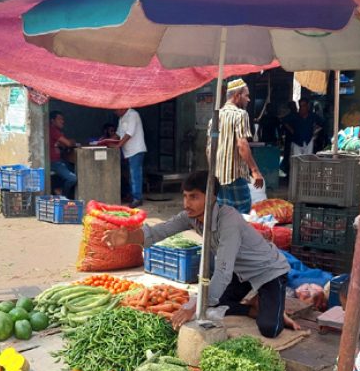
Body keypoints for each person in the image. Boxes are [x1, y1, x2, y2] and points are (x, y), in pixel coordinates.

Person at [102, 171, 300, 337]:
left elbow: (222, 272)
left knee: (269, 329)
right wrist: (128, 237)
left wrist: (192, 308)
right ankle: (254, 307)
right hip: (240, 274)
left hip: (267, 271)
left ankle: (274, 309)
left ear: (212, 197)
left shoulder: (228, 220)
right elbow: (158, 231)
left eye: (194, 197)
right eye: (185, 196)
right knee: (210, 304)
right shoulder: (191, 217)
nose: (187, 203)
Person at [207, 78, 264, 215]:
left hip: (218, 176)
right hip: (235, 175)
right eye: (246, 95)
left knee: (223, 214)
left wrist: (212, 172)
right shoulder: (240, 115)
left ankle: (224, 237)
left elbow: (209, 148)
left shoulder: (214, 117)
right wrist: (255, 171)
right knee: (242, 214)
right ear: (237, 95)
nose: (249, 99)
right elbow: (242, 144)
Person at [112, 108, 146, 208]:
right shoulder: (121, 118)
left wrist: (118, 145)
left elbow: (129, 134)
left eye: (116, 110)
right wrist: (104, 140)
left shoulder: (133, 114)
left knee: (135, 175)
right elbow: (118, 134)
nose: (115, 112)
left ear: (122, 107)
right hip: (128, 151)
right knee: (131, 175)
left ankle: (137, 199)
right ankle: (132, 196)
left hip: (136, 149)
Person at [49, 110, 77, 198]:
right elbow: (68, 143)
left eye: (63, 119)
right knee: (72, 178)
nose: (62, 121)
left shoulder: (57, 131)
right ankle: (63, 196)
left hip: (59, 161)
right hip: (53, 162)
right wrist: (72, 142)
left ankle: (58, 190)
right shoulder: (52, 130)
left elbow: (63, 144)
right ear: (52, 121)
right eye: (60, 119)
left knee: (76, 170)